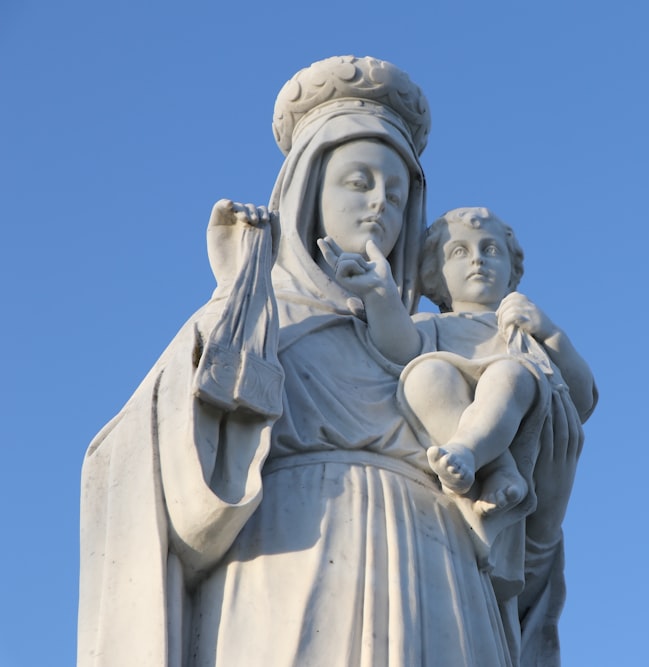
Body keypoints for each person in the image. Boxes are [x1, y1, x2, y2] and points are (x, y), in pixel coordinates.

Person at [78, 56, 591, 667]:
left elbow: (528, 537)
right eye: (359, 182)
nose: (379, 205)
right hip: (290, 569)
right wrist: (236, 317)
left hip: (445, 580)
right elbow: (154, 483)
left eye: (396, 196)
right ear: (308, 189)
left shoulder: (435, 343)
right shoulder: (253, 315)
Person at [328, 207, 596, 518]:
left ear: (512, 270)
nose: (477, 259)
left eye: (491, 249)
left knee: (508, 373)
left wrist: (550, 333)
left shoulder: (522, 329)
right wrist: (378, 298)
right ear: (434, 273)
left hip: (523, 419)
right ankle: (490, 467)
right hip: (453, 433)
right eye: (459, 251)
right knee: (423, 375)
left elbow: (583, 399)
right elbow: (398, 351)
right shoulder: (429, 325)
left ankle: (471, 452)